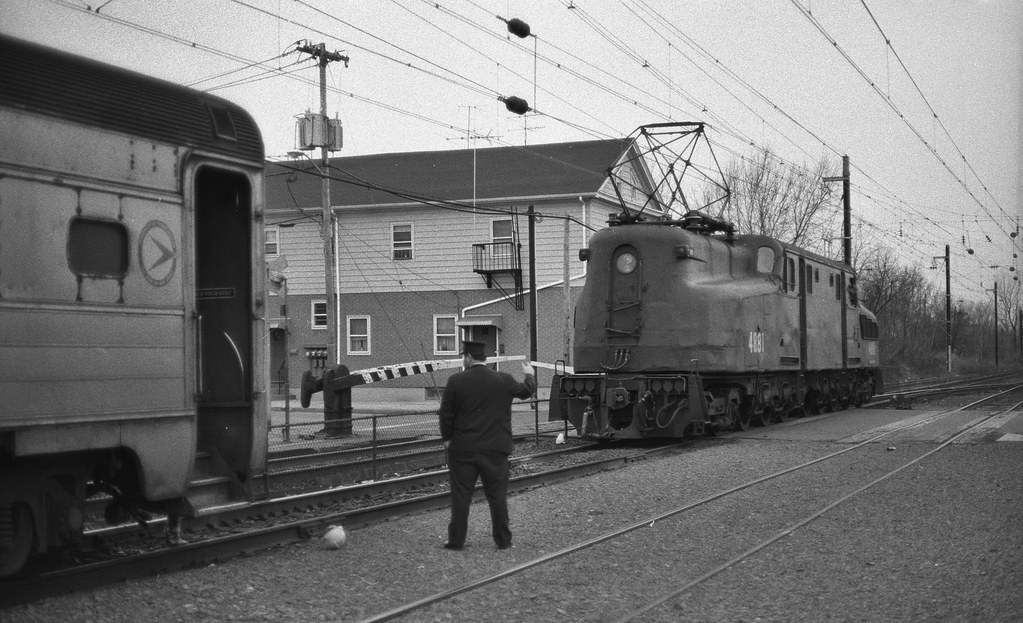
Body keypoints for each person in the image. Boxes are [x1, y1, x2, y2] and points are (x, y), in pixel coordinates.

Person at [437, 341, 535, 550]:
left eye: (464, 356)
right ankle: (503, 540)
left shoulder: (455, 381)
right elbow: (526, 392)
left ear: (469, 358)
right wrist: (529, 374)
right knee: (497, 495)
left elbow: (446, 413)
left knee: (461, 495)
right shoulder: (504, 380)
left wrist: (447, 438)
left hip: (463, 448)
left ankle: (456, 540)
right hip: (495, 449)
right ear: (485, 358)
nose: (463, 360)